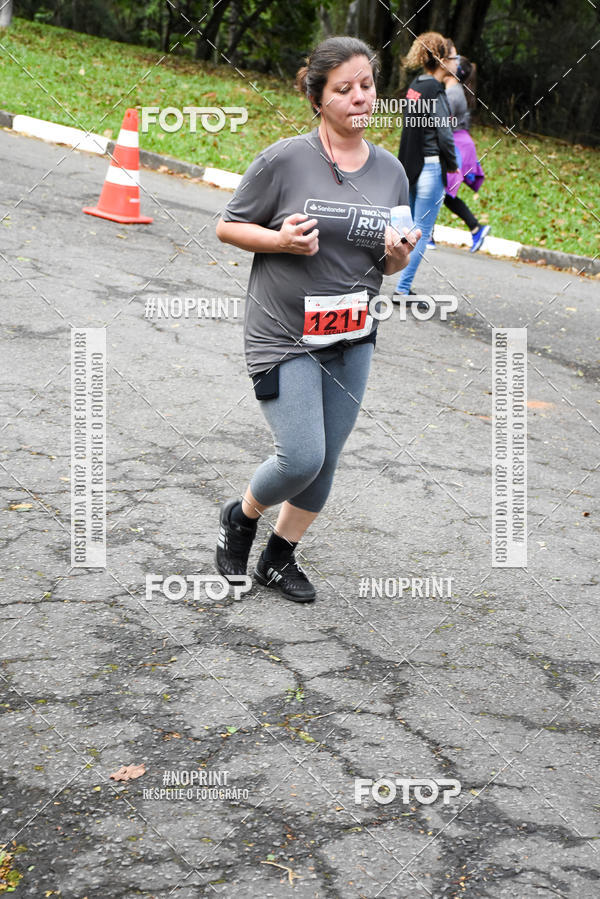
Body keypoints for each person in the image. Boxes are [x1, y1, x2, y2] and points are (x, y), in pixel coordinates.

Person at [214, 36, 419, 603]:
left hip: (353, 333)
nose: (361, 98)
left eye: (368, 85)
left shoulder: (391, 172)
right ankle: (242, 515)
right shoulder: (285, 159)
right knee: (301, 455)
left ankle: (278, 559)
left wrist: (399, 254)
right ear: (318, 97)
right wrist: (279, 239)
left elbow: (391, 258)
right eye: (345, 88)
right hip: (283, 331)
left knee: (326, 459)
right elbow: (229, 226)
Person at [394, 32, 460, 301]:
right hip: (431, 168)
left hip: (410, 166)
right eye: (454, 57)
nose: (457, 63)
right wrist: (454, 163)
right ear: (442, 59)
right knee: (420, 231)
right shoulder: (435, 89)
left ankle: (388, 280)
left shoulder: (415, 85)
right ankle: (401, 289)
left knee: (405, 230)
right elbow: (444, 132)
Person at [443, 55, 490, 252]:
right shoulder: (455, 91)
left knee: (438, 191)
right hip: (459, 143)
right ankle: (476, 228)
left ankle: (427, 235)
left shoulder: (453, 95)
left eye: (451, 61)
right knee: (443, 194)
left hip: (458, 146)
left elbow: (440, 123)